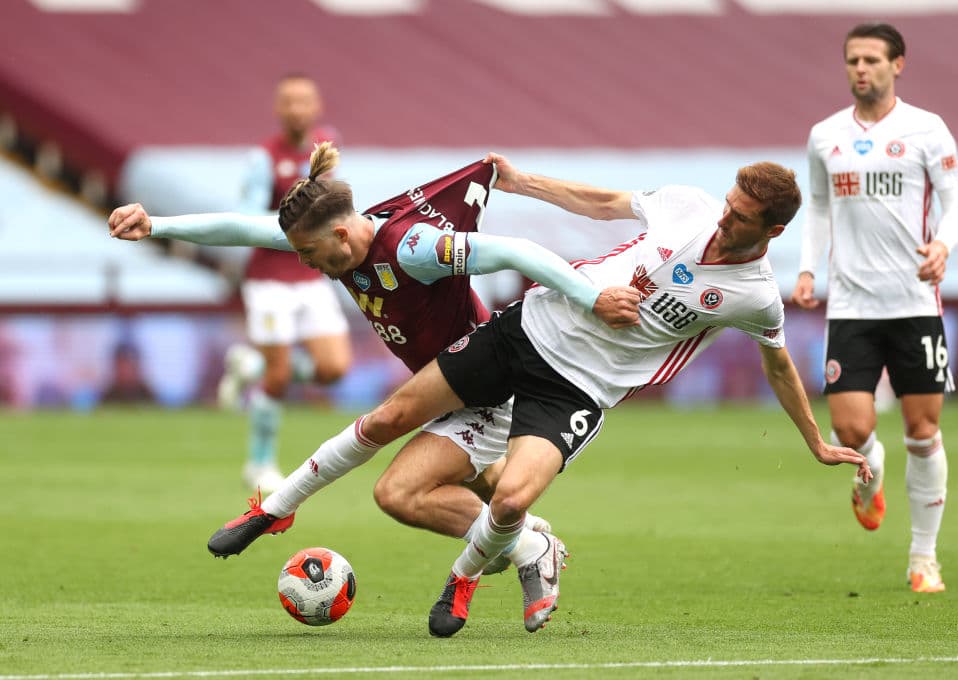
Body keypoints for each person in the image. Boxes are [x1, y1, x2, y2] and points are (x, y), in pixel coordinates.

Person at [239, 153, 871, 638]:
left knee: (512, 497)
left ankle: (465, 579)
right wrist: (523, 181)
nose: (724, 217)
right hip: (526, 329)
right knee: (390, 420)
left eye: (741, 217)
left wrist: (815, 440)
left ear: (773, 230)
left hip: (580, 387)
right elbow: (603, 202)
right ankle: (276, 508)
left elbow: (779, 364)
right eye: (729, 203)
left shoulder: (755, 295)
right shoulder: (688, 205)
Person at [108, 142, 640, 582]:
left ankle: (526, 546)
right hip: (444, 387)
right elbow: (244, 228)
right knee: (486, 489)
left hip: (485, 381)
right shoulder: (330, 237)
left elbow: (516, 251)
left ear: (340, 234)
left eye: (308, 254)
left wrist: (589, 297)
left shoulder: (414, 248)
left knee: (398, 470)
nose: (306, 263)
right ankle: (527, 537)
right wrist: (155, 224)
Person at [790, 23, 958, 594]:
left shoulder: (926, 129)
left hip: (914, 302)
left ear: (898, 64)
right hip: (851, 304)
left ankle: (923, 558)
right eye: (853, 60)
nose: (860, 69)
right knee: (850, 428)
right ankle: (873, 472)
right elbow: (818, 207)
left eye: (871, 59)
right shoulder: (825, 135)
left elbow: (956, 202)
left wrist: (943, 245)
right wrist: (808, 268)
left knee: (923, 428)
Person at [227, 73, 353, 492]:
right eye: (289, 101)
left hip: (311, 273)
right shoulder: (263, 158)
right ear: (278, 108)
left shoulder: (326, 149)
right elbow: (247, 218)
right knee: (279, 378)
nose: (297, 109)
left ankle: (252, 366)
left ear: (317, 107)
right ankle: (259, 463)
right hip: (270, 279)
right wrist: (297, 224)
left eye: (304, 101)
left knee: (333, 368)